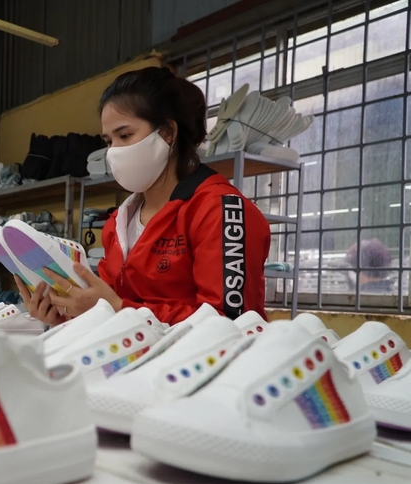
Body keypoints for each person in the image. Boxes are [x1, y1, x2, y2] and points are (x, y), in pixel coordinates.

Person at [16, 66, 271, 326]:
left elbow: (231, 323)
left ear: (168, 133)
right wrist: (66, 316)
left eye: (125, 135)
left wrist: (119, 309)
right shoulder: (118, 223)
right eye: (108, 141)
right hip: (132, 360)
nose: (113, 151)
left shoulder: (218, 210)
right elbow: (110, 314)